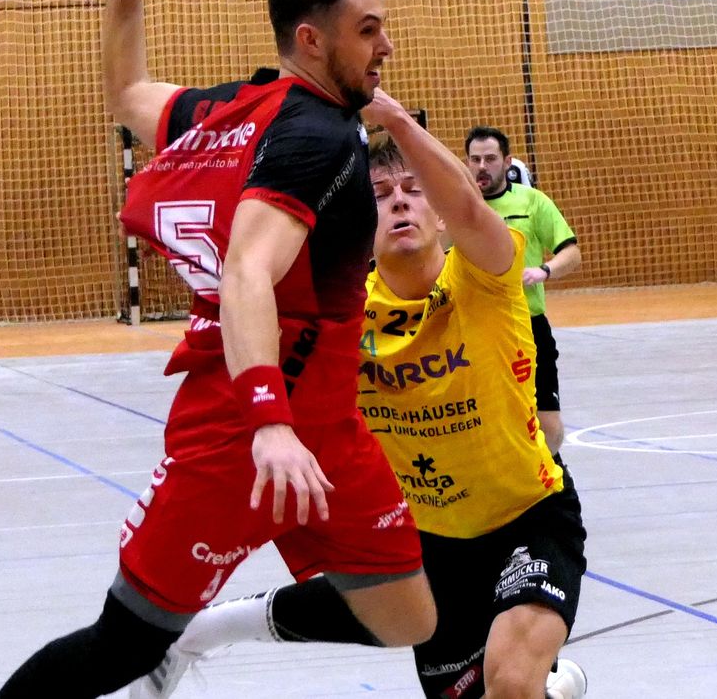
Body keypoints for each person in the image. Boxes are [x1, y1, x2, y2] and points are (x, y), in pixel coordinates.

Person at [0, 0, 434, 699]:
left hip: (328, 428)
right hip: (242, 433)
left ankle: (210, 628)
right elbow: (246, 272)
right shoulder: (315, 139)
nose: (386, 47)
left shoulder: (234, 112)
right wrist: (268, 422)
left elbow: (127, 88)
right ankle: (159, 645)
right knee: (120, 644)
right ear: (313, 40)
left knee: (408, 618)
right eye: (369, 30)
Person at [130, 94, 588, 699]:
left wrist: (395, 121)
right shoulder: (343, 314)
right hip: (425, 542)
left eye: (413, 190)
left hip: (530, 515)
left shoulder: (486, 276)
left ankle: (538, 686)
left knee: (510, 682)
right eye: (379, 193)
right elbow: (253, 299)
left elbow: (471, 210)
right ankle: (199, 632)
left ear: (440, 214)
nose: (399, 201)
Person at [465, 126, 581, 456]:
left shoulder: (531, 202)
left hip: (527, 325)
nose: (482, 166)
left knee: (549, 426)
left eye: (490, 159)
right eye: (475, 159)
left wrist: (545, 270)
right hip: (475, 327)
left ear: (507, 162)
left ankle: (551, 471)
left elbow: (571, 252)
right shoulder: (457, 208)